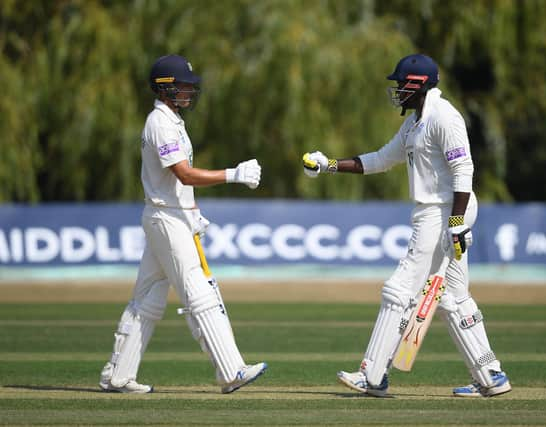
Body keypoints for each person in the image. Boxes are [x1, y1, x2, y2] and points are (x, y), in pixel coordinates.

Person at [301, 54, 511, 398]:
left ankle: (372, 375)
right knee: (454, 299)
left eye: (402, 84)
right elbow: (381, 160)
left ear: (419, 84)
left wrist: (456, 223)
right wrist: (330, 165)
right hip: (438, 213)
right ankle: (491, 375)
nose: (397, 90)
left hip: (443, 213)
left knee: (399, 289)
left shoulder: (444, 117)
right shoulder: (415, 123)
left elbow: (464, 171)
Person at [99, 54, 267, 394]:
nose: (189, 92)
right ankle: (230, 371)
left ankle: (117, 375)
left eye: (191, 87)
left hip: (172, 216)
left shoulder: (171, 120)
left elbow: (179, 183)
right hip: (165, 219)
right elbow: (184, 173)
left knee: (147, 300)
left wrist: (192, 212)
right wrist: (234, 174)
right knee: (199, 293)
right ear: (164, 89)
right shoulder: (159, 122)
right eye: (183, 87)